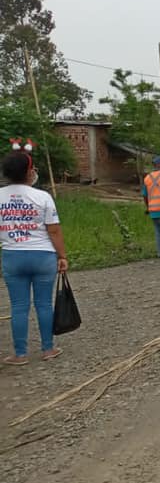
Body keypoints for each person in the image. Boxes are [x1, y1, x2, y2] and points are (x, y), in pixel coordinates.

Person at [0, 142, 69, 365]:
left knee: (19, 306)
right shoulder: (43, 197)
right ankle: (48, 349)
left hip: (12, 256)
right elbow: (54, 230)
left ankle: (20, 354)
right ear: (29, 172)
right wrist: (62, 256)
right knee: (44, 304)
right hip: (43, 256)